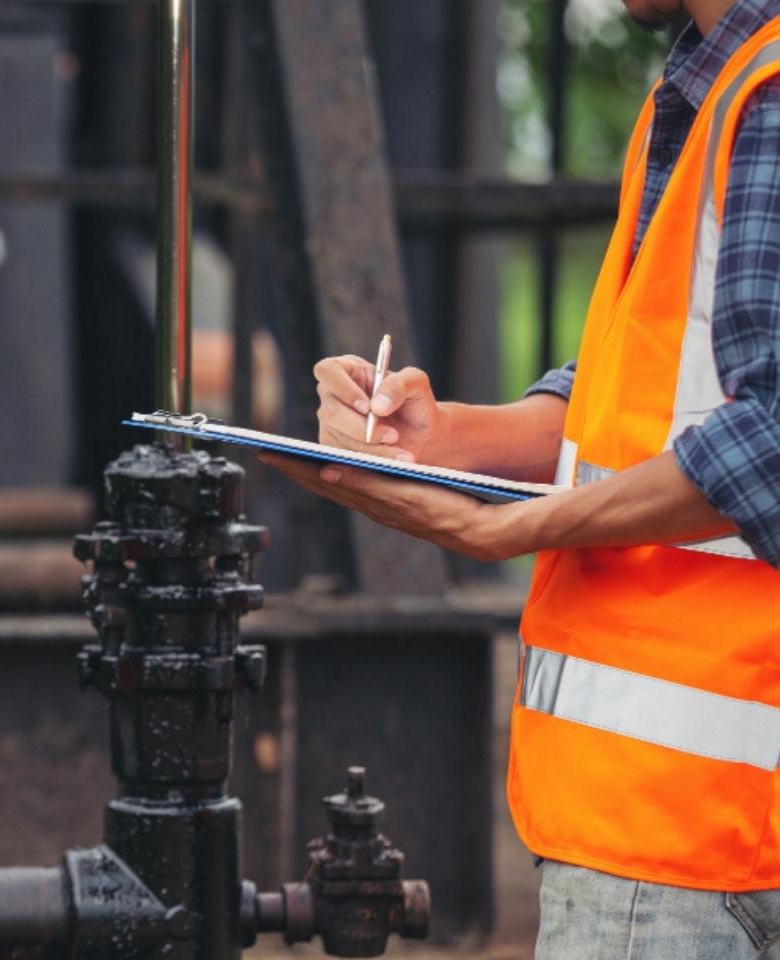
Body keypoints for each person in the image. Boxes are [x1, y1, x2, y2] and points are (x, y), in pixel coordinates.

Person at [263, 1, 780, 956]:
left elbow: (772, 443)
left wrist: (509, 531)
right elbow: (655, 398)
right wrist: (445, 434)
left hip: (687, 832)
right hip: (674, 826)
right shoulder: (711, 90)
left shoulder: (767, 97)